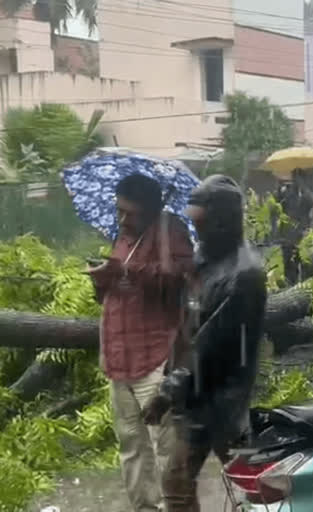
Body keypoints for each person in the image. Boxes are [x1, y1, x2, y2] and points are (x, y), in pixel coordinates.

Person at [142, 174, 268, 512]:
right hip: (195, 396)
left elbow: (207, 343)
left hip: (226, 401)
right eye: (192, 221)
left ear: (223, 221)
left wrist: (167, 392)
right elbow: (186, 319)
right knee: (177, 485)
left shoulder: (245, 274)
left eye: (202, 222)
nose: (196, 229)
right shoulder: (203, 257)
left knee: (255, 486)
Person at [87, 174, 194, 512]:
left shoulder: (169, 231)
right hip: (118, 360)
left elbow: (178, 280)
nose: (122, 219)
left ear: (150, 209)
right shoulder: (123, 236)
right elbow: (112, 292)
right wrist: (102, 279)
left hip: (155, 361)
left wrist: (125, 272)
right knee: (131, 447)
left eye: (129, 213)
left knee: (169, 453)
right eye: (119, 211)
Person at [275, 169, 313, 284]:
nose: (295, 180)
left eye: (298, 177)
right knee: (289, 268)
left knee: (306, 267)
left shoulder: (306, 192)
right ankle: (290, 285)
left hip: (303, 236)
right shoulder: (287, 192)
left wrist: (303, 187)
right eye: (294, 177)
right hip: (288, 237)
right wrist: (279, 188)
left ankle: (304, 287)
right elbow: (277, 204)